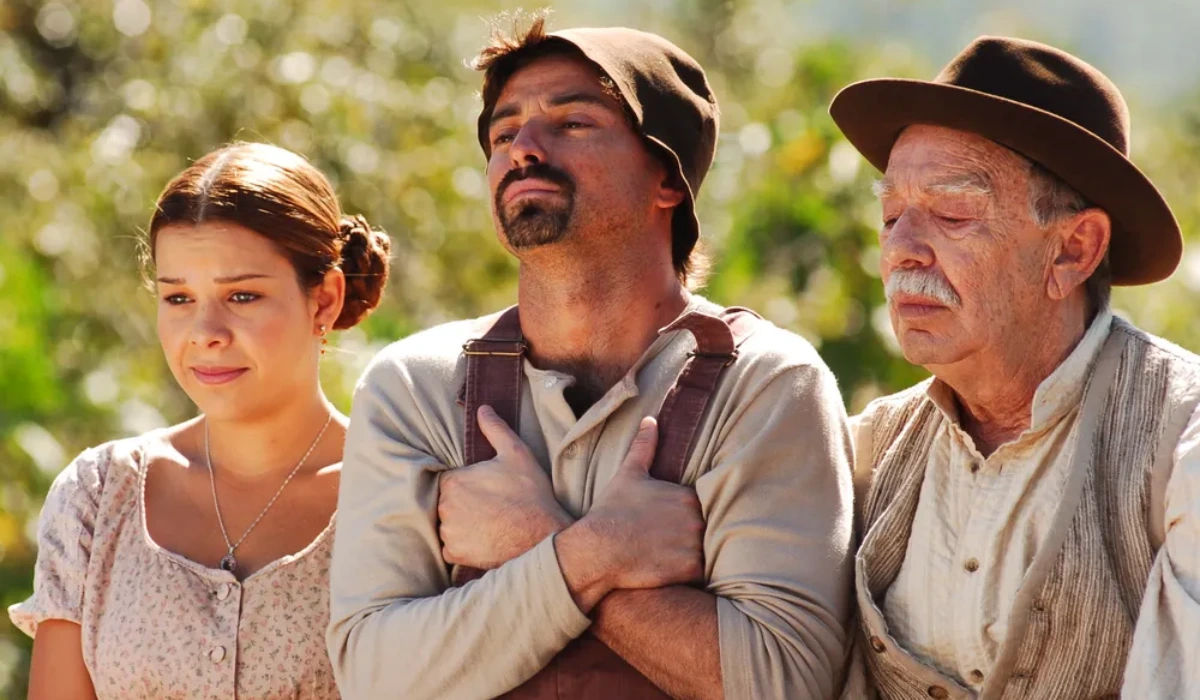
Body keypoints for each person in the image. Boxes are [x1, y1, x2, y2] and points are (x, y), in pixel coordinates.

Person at [327, 15, 854, 700]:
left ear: (668, 179)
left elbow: (783, 683)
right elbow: (375, 678)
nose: (525, 149)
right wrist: (594, 555)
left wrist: (528, 537)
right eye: (504, 133)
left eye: (572, 123)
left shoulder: (767, 384)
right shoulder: (415, 386)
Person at [829, 36, 1200, 699]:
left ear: (1072, 250)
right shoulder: (868, 451)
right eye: (890, 217)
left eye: (951, 213)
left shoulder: (1183, 439)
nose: (903, 251)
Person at [10, 142, 391, 699]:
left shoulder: (396, 493)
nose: (206, 331)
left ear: (324, 300)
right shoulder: (97, 496)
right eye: (179, 297)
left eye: (242, 294)